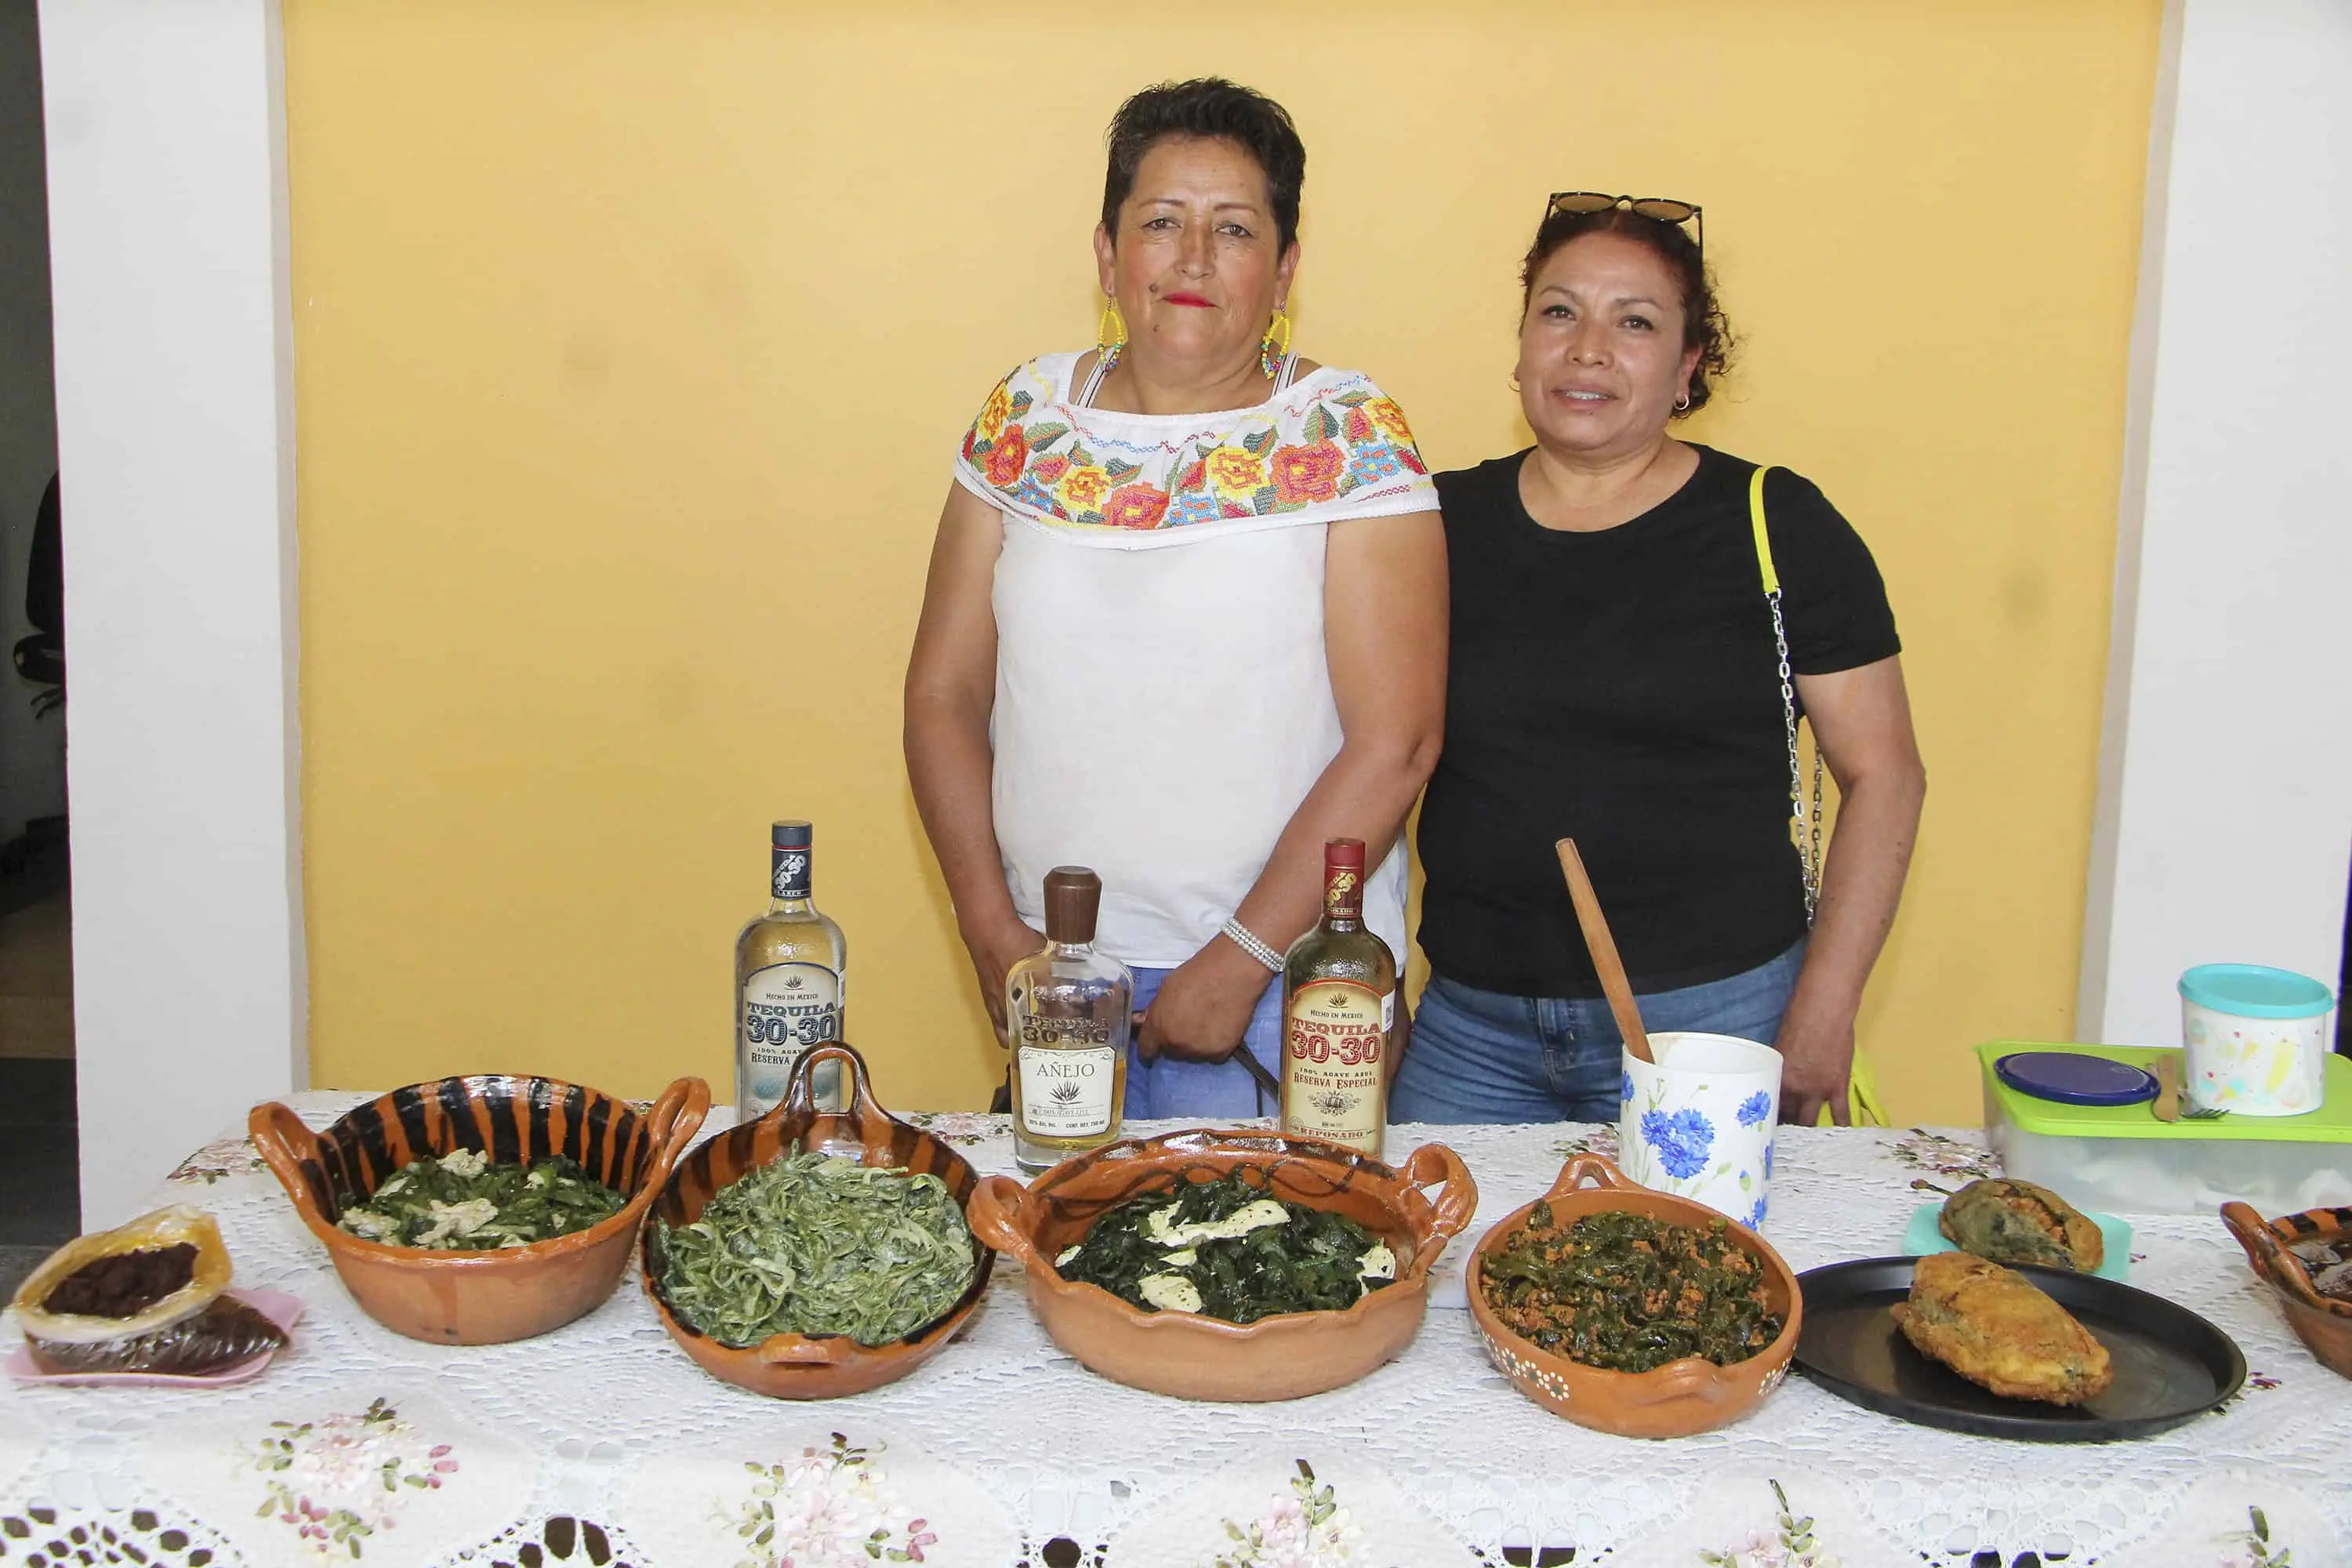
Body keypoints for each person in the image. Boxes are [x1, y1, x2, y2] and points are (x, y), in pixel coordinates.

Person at [904, 79, 1446, 1119]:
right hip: (1056, 980)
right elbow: (942, 693)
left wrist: (1240, 959)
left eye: (1234, 229)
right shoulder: (1024, 416)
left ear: (1284, 269)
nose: (1194, 258)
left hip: (1288, 988)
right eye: (1161, 223)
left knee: (1283, 1273)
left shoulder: (1349, 435)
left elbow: (1398, 741)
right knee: (1071, 1271)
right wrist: (990, 930)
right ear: (1108, 255)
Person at [1392, 193, 1926, 1127]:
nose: (1587, 347)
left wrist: (1825, 1010)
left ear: (1687, 368)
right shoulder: (1430, 525)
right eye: (1559, 311)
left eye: (1634, 322)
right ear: (1521, 346)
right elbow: (1369, 752)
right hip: (1471, 1035)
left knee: (1713, 1271)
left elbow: (1885, 773)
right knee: (1438, 1269)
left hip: (1718, 1027)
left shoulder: (1777, 523)